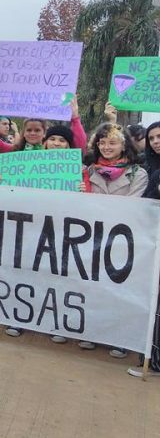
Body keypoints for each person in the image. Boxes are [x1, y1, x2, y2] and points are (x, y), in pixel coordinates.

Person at [78, 122, 148, 356]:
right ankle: (91, 332)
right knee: (93, 288)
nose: (106, 147)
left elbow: (131, 208)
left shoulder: (138, 174)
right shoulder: (87, 172)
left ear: (124, 145)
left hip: (122, 242)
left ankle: (120, 337)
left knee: (120, 291)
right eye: (102, 142)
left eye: (112, 142)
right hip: (91, 239)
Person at [142, 121, 160, 199]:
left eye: (159, 136)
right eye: (151, 138)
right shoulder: (145, 164)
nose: (155, 141)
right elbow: (145, 200)